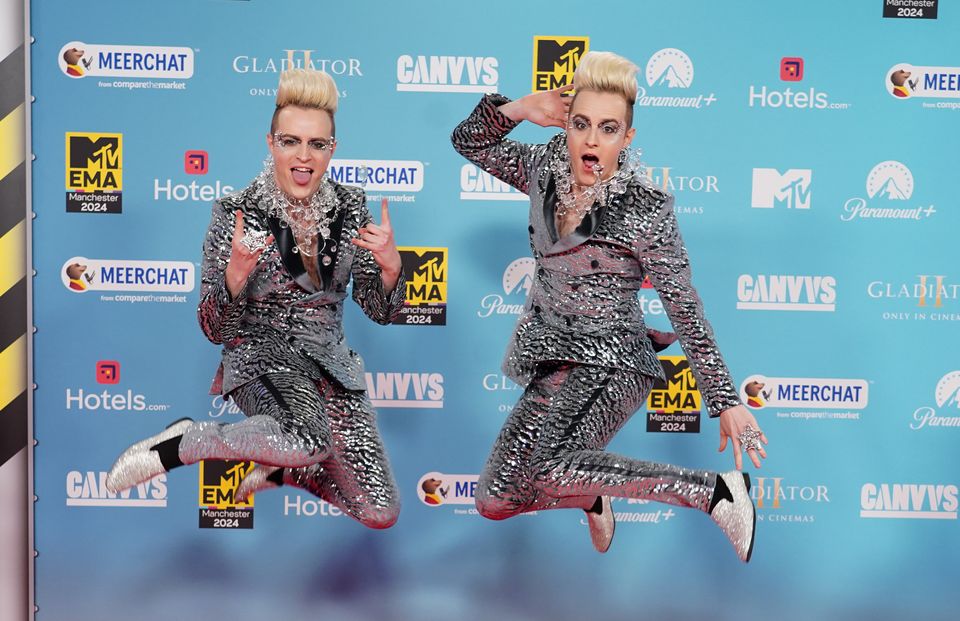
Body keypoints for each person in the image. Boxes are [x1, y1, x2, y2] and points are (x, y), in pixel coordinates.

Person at [451, 51, 767, 560]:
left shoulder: (646, 209)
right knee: (495, 497)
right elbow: (468, 140)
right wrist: (519, 109)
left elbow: (684, 306)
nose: (592, 140)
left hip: (614, 361)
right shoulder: (543, 168)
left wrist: (725, 400)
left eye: (608, 128)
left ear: (627, 138)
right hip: (554, 357)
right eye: (581, 124)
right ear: (567, 125)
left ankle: (716, 492)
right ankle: (591, 493)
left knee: (545, 467)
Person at [106, 69, 405, 529]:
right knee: (308, 435)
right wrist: (235, 276)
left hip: (331, 365)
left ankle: (283, 467)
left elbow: (379, 310)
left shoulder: (352, 207)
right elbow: (213, 329)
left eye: (316, 144)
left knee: (380, 510)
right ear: (271, 144)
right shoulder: (236, 212)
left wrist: (389, 268)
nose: (303, 156)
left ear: (332, 149)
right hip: (261, 360)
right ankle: (186, 440)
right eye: (290, 141)